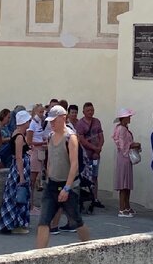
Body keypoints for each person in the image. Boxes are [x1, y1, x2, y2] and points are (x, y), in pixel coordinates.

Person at [35, 104, 93, 247]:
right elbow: (50, 160)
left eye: (54, 120)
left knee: (76, 220)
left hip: (68, 186)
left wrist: (67, 188)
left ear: (63, 118)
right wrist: (47, 179)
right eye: (50, 121)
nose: (52, 123)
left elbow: (74, 165)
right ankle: (38, 255)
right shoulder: (50, 136)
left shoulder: (70, 138)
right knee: (43, 221)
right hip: (52, 185)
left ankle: (91, 247)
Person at [0, 109, 33, 234]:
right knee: (18, 195)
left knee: (15, 195)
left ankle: (14, 223)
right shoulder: (19, 137)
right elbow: (18, 157)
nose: (29, 123)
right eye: (28, 121)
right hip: (20, 169)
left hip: (19, 168)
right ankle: (16, 224)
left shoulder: (17, 133)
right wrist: (21, 176)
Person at [75, 102, 106, 208]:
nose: (90, 112)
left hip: (96, 155)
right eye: (88, 110)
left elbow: (101, 136)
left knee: (95, 176)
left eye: (92, 110)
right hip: (85, 155)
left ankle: (95, 198)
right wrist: (94, 148)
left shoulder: (97, 122)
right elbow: (82, 140)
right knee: (84, 176)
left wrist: (98, 149)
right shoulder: (80, 124)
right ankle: (82, 198)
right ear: (83, 112)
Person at [113, 107, 140, 217]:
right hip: (124, 158)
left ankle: (127, 206)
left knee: (127, 184)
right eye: (128, 117)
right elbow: (123, 145)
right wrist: (135, 145)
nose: (129, 118)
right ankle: (122, 208)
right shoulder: (122, 129)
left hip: (125, 158)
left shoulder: (122, 128)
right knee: (124, 184)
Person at [29, 104, 47, 196]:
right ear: (35, 112)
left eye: (43, 112)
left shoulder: (39, 123)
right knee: (33, 177)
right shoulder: (32, 123)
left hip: (41, 151)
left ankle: (32, 200)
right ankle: (30, 200)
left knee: (37, 175)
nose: (42, 114)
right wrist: (42, 143)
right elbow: (29, 141)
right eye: (40, 112)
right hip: (35, 151)